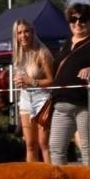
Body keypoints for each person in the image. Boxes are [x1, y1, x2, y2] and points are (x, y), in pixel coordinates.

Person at [48, 4, 90, 167]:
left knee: (87, 148)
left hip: (87, 105)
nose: (77, 23)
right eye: (73, 19)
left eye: (82, 19)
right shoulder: (65, 43)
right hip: (62, 104)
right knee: (56, 147)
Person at [11, 18, 56, 163]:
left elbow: (52, 81)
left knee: (44, 144)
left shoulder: (42, 53)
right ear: (16, 36)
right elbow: (20, 77)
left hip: (43, 99)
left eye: (26, 32)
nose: (23, 36)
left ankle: (52, 178)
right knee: (30, 145)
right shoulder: (18, 54)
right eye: (19, 33)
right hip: (25, 99)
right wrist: (17, 80)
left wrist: (32, 81)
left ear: (32, 32)